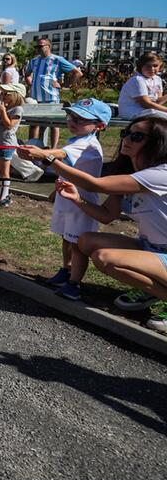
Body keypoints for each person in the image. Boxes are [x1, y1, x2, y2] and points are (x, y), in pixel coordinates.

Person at [17, 114, 167, 333]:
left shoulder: (160, 174)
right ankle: (152, 291)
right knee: (85, 241)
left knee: (104, 258)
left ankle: (161, 295)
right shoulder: (129, 174)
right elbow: (107, 215)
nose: (127, 139)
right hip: (149, 246)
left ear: (158, 143)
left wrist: (49, 159)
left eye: (137, 136)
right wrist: (78, 200)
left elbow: (97, 185)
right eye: (126, 133)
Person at [16, 99, 110, 299]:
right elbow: (66, 167)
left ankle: (74, 284)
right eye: (71, 116)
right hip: (66, 197)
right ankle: (66, 270)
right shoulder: (75, 140)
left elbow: (60, 154)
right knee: (66, 238)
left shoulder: (89, 144)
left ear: (100, 125)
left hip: (81, 202)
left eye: (81, 119)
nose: (73, 121)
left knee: (77, 245)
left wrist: (40, 153)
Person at [25, 38, 81, 149]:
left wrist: (65, 85)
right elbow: (27, 74)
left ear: (48, 46)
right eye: (37, 47)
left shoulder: (57, 60)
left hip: (51, 97)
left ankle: (53, 149)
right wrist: (32, 84)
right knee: (34, 123)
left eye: (41, 46)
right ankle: (32, 147)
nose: (38, 49)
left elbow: (77, 73)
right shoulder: (34, 61)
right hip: (35, 98)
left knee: (53, 124)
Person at [0, 83, 26, 207]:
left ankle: (3, 197)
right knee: (1, 170)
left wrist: (2, 112)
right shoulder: (5, 107)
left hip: (6, 143)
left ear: (15, 96)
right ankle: (2, 194)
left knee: (4, 171)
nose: (4, 96)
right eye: (3, 93)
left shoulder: (17, 109)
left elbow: (9, 125)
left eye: (6, 94)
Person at [118, 51, 166, 120]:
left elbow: (157, 102)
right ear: (141, 66)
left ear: (160, 66)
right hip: (131, 111)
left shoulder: (157, 79)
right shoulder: (138, 80)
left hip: (148, 110)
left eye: (155, 66)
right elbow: (146, 104)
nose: (152, 69)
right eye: (148, 66)